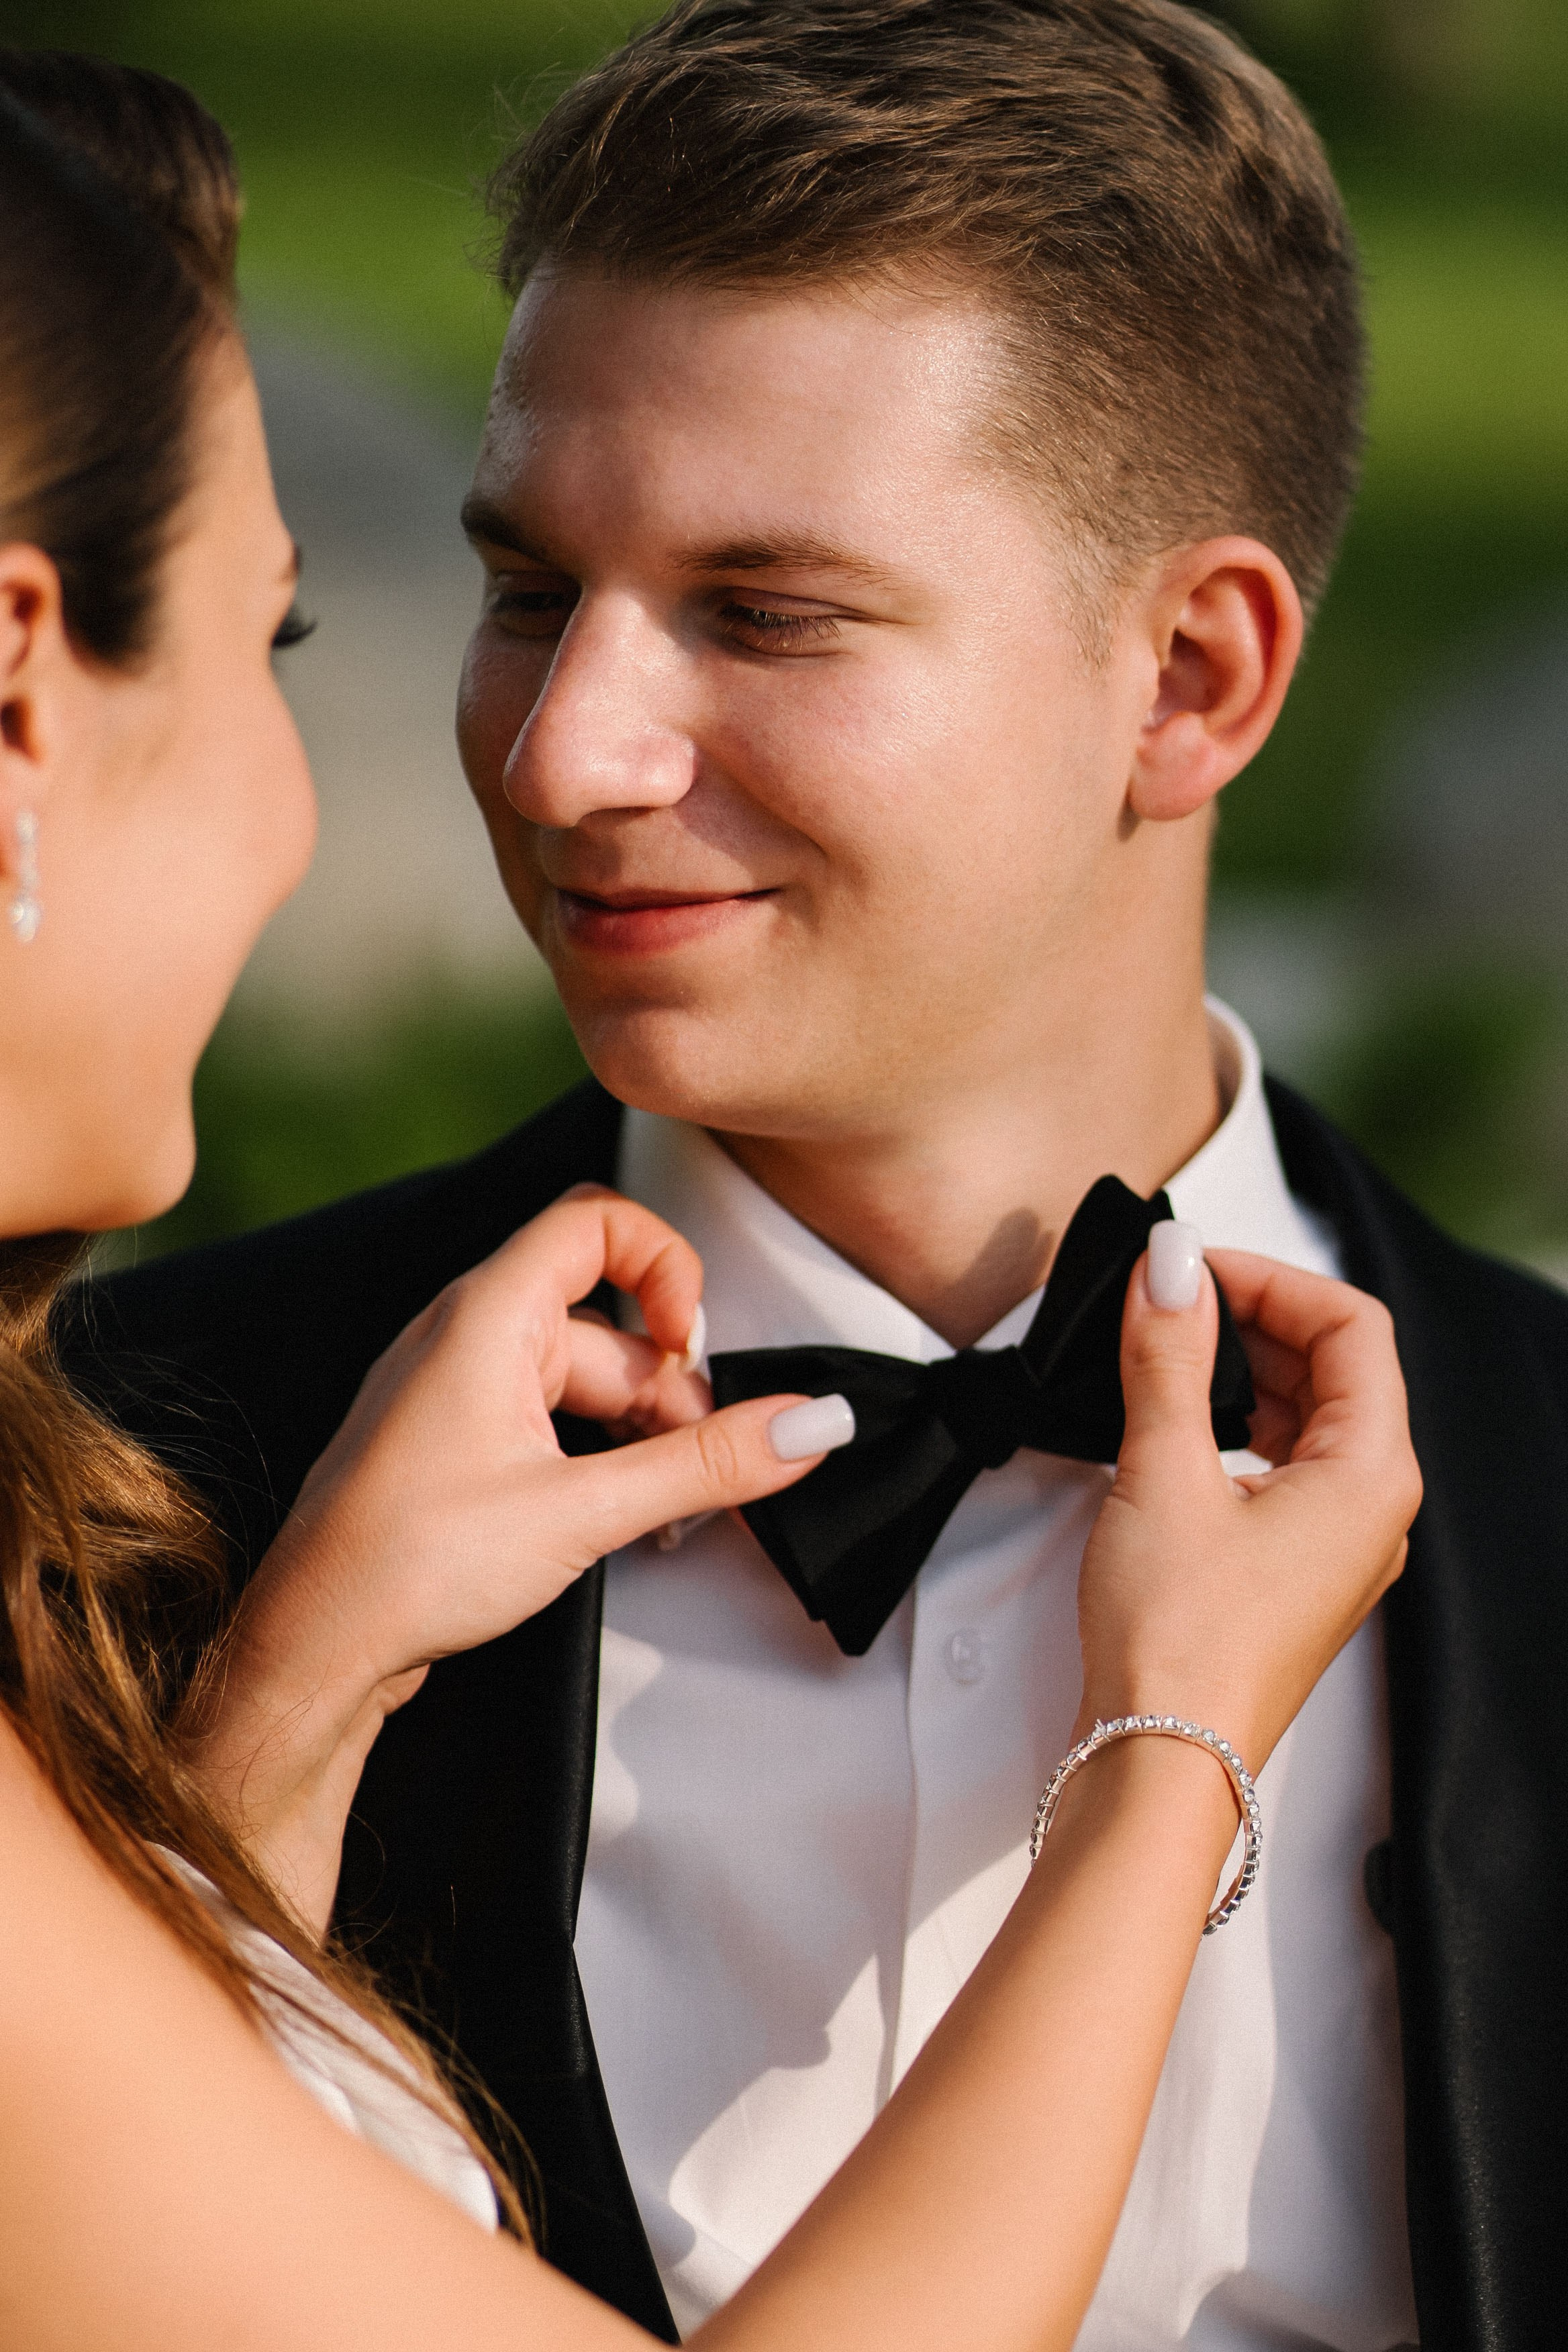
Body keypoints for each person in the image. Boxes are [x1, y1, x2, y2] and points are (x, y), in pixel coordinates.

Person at [56, 2, 1567, 2344]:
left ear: (1192, 679)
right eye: (530, 588)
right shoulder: (142, 1482)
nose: (566, 757)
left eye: (766, 613)